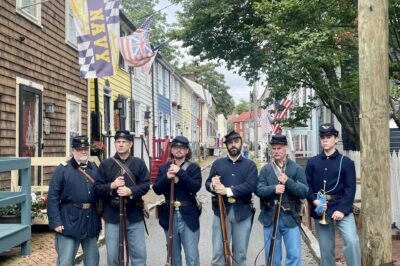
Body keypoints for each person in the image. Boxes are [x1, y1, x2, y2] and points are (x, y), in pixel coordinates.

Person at [306, 123, 361, 266]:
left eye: (329, 137)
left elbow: (350, 189)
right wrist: (314, 201)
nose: (325, 140)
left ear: (336, 139)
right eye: (322, 137)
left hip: (341, 207)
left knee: (352, 241)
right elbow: (307, 186)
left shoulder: (346, 162)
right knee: (325, 250)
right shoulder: (312, 162)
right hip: (320, 207)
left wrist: (342, 210)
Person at [94, 130, 150, 266]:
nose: (121, 145)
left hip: (134, 213)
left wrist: (130, 190)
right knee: (113, 256)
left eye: (124, 142)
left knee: (139, 255)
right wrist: (112, 185)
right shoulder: (106, 164)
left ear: (130, 144)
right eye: (118, 142)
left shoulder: (139, 163)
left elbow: (146, 184)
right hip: (112, 216)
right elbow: (96, 188)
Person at [205, 130, 258, 266]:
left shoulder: (250, 165)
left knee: (240, 254)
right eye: (230, 143)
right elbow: (207, 183)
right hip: (221, 212)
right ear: (226, 145)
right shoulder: (218, 164)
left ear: (241, 143)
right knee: (218, 252)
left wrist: (227, 191)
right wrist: (213, 185)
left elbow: (250, 186)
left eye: (236, 142)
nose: (233, 145)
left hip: (243, 212)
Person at [47, 136, 100, 266]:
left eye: (85, 149)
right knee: (65, 261)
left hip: (90, 220)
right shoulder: (63, 169)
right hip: (69, 220)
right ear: (73, 150)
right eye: (79, 149)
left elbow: (102, 191)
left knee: (93, 261)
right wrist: (55, 221)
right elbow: (52, 196)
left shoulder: (94, 168)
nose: (83, 151)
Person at [255, 135, 308, 266]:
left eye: (279, 148)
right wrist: (274, 189)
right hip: (270, 216)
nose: (276, 151)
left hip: (291, 216)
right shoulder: (266, 170)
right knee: (272, 256)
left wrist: (288, 182)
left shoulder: (296, 169)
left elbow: (304, 191)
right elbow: (258, 190)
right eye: (274, 148)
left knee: (294, 255)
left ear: (286, 148)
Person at [152, 136, 202, 266]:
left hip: (189, 215)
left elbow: (195, 187)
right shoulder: (164, 168)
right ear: (171, 150)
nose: (179, 150)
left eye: (182, 148)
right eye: (175, 147)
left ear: (187, 151)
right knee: (173, 257)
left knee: (192, 256)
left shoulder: (193, 168)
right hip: (169, 214)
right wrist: (166, 177)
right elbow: (157, 189)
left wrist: (180, 173)